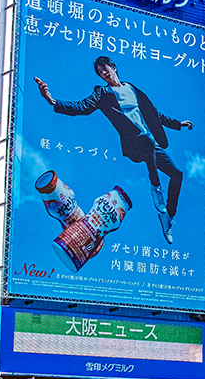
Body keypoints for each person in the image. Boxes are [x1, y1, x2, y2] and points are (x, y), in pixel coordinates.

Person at [35, 54, 195, 244]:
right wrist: (52, 101)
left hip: (152, 143)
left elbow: (154, 113)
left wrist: (179, 124)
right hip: (134, 143)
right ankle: (156, 189)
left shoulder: (132, 88)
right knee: (146, 142)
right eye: (99, 71)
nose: (103, 73)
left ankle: (168, 216)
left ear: (114, 67)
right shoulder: (102, 93)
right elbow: (82, 107)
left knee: (177, 174)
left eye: (105, 68)